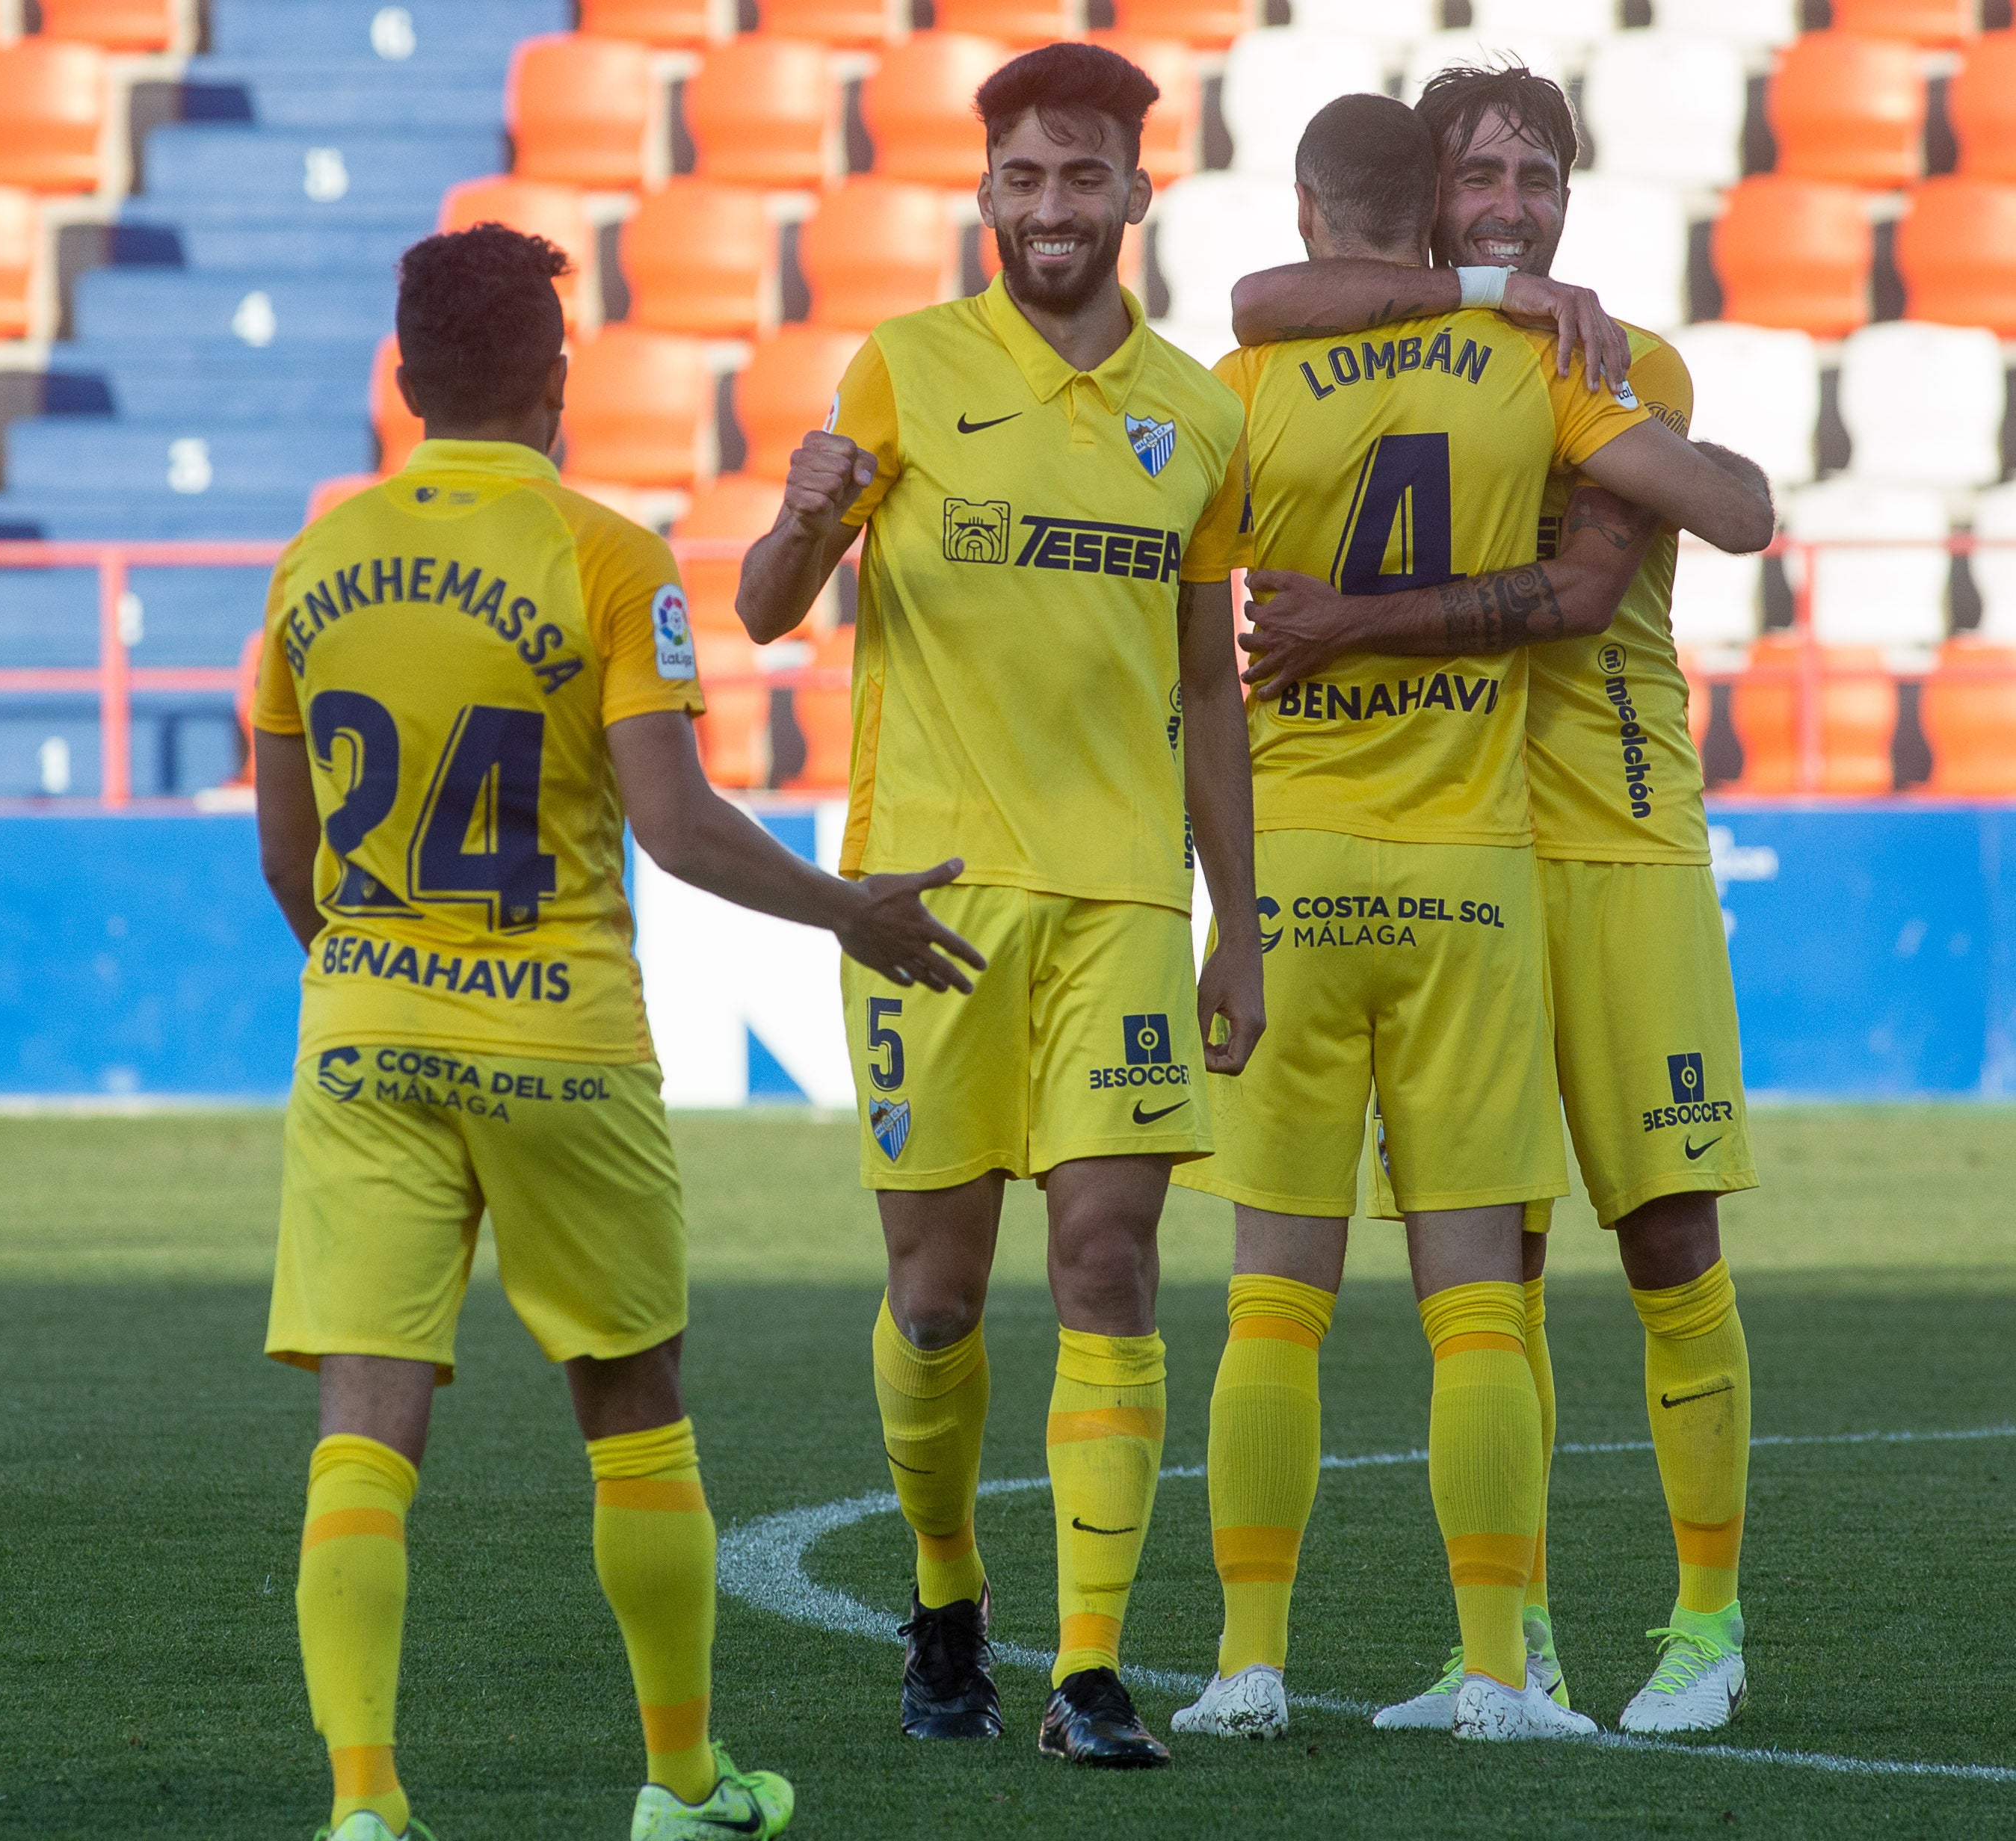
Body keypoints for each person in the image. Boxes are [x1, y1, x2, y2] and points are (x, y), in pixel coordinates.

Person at [250, 223, 981, 1841]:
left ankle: (363, 1804)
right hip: (560, 1036)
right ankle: (678, 1782)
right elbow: (670, 821)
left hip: (364, 1031)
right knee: (631, 1401)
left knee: (366, 1419)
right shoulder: (606, 555)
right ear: (558, 383)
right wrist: (844, 904)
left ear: (401, 379)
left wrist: (369, 970)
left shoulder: (311, 566)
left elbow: (283, 857)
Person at [1157, 93, 1773, 1744]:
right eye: (1477, 174)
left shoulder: (1613, 355)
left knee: (1663, 1236)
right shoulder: (1468, 334)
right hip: (1473, 851)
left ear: (1572, 196)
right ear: (1424, 199)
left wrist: (1343, 622)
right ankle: (1519, 1646)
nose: (1510, 202)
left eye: (1538, 175)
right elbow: (1262, 299)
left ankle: (1704, 1621)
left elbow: (1586, 589)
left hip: (1617, 839)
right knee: (1483, 1262)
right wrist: (1481, 296)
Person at [735, 41, 1265, 1770]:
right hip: (927, 902)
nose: (1052, 207)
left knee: (1109, 1256)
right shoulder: (900, 370)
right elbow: (760, 610)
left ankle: (1090, 1668)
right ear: (986, 193)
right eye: (1023, 178)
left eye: (1082, 175)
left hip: (1118, 894)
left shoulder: (1198, 415)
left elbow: (1207, 689)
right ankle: (946, 1596)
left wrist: (1234, 920)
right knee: (939, 1296)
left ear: (1133, 190)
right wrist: (801, 522)